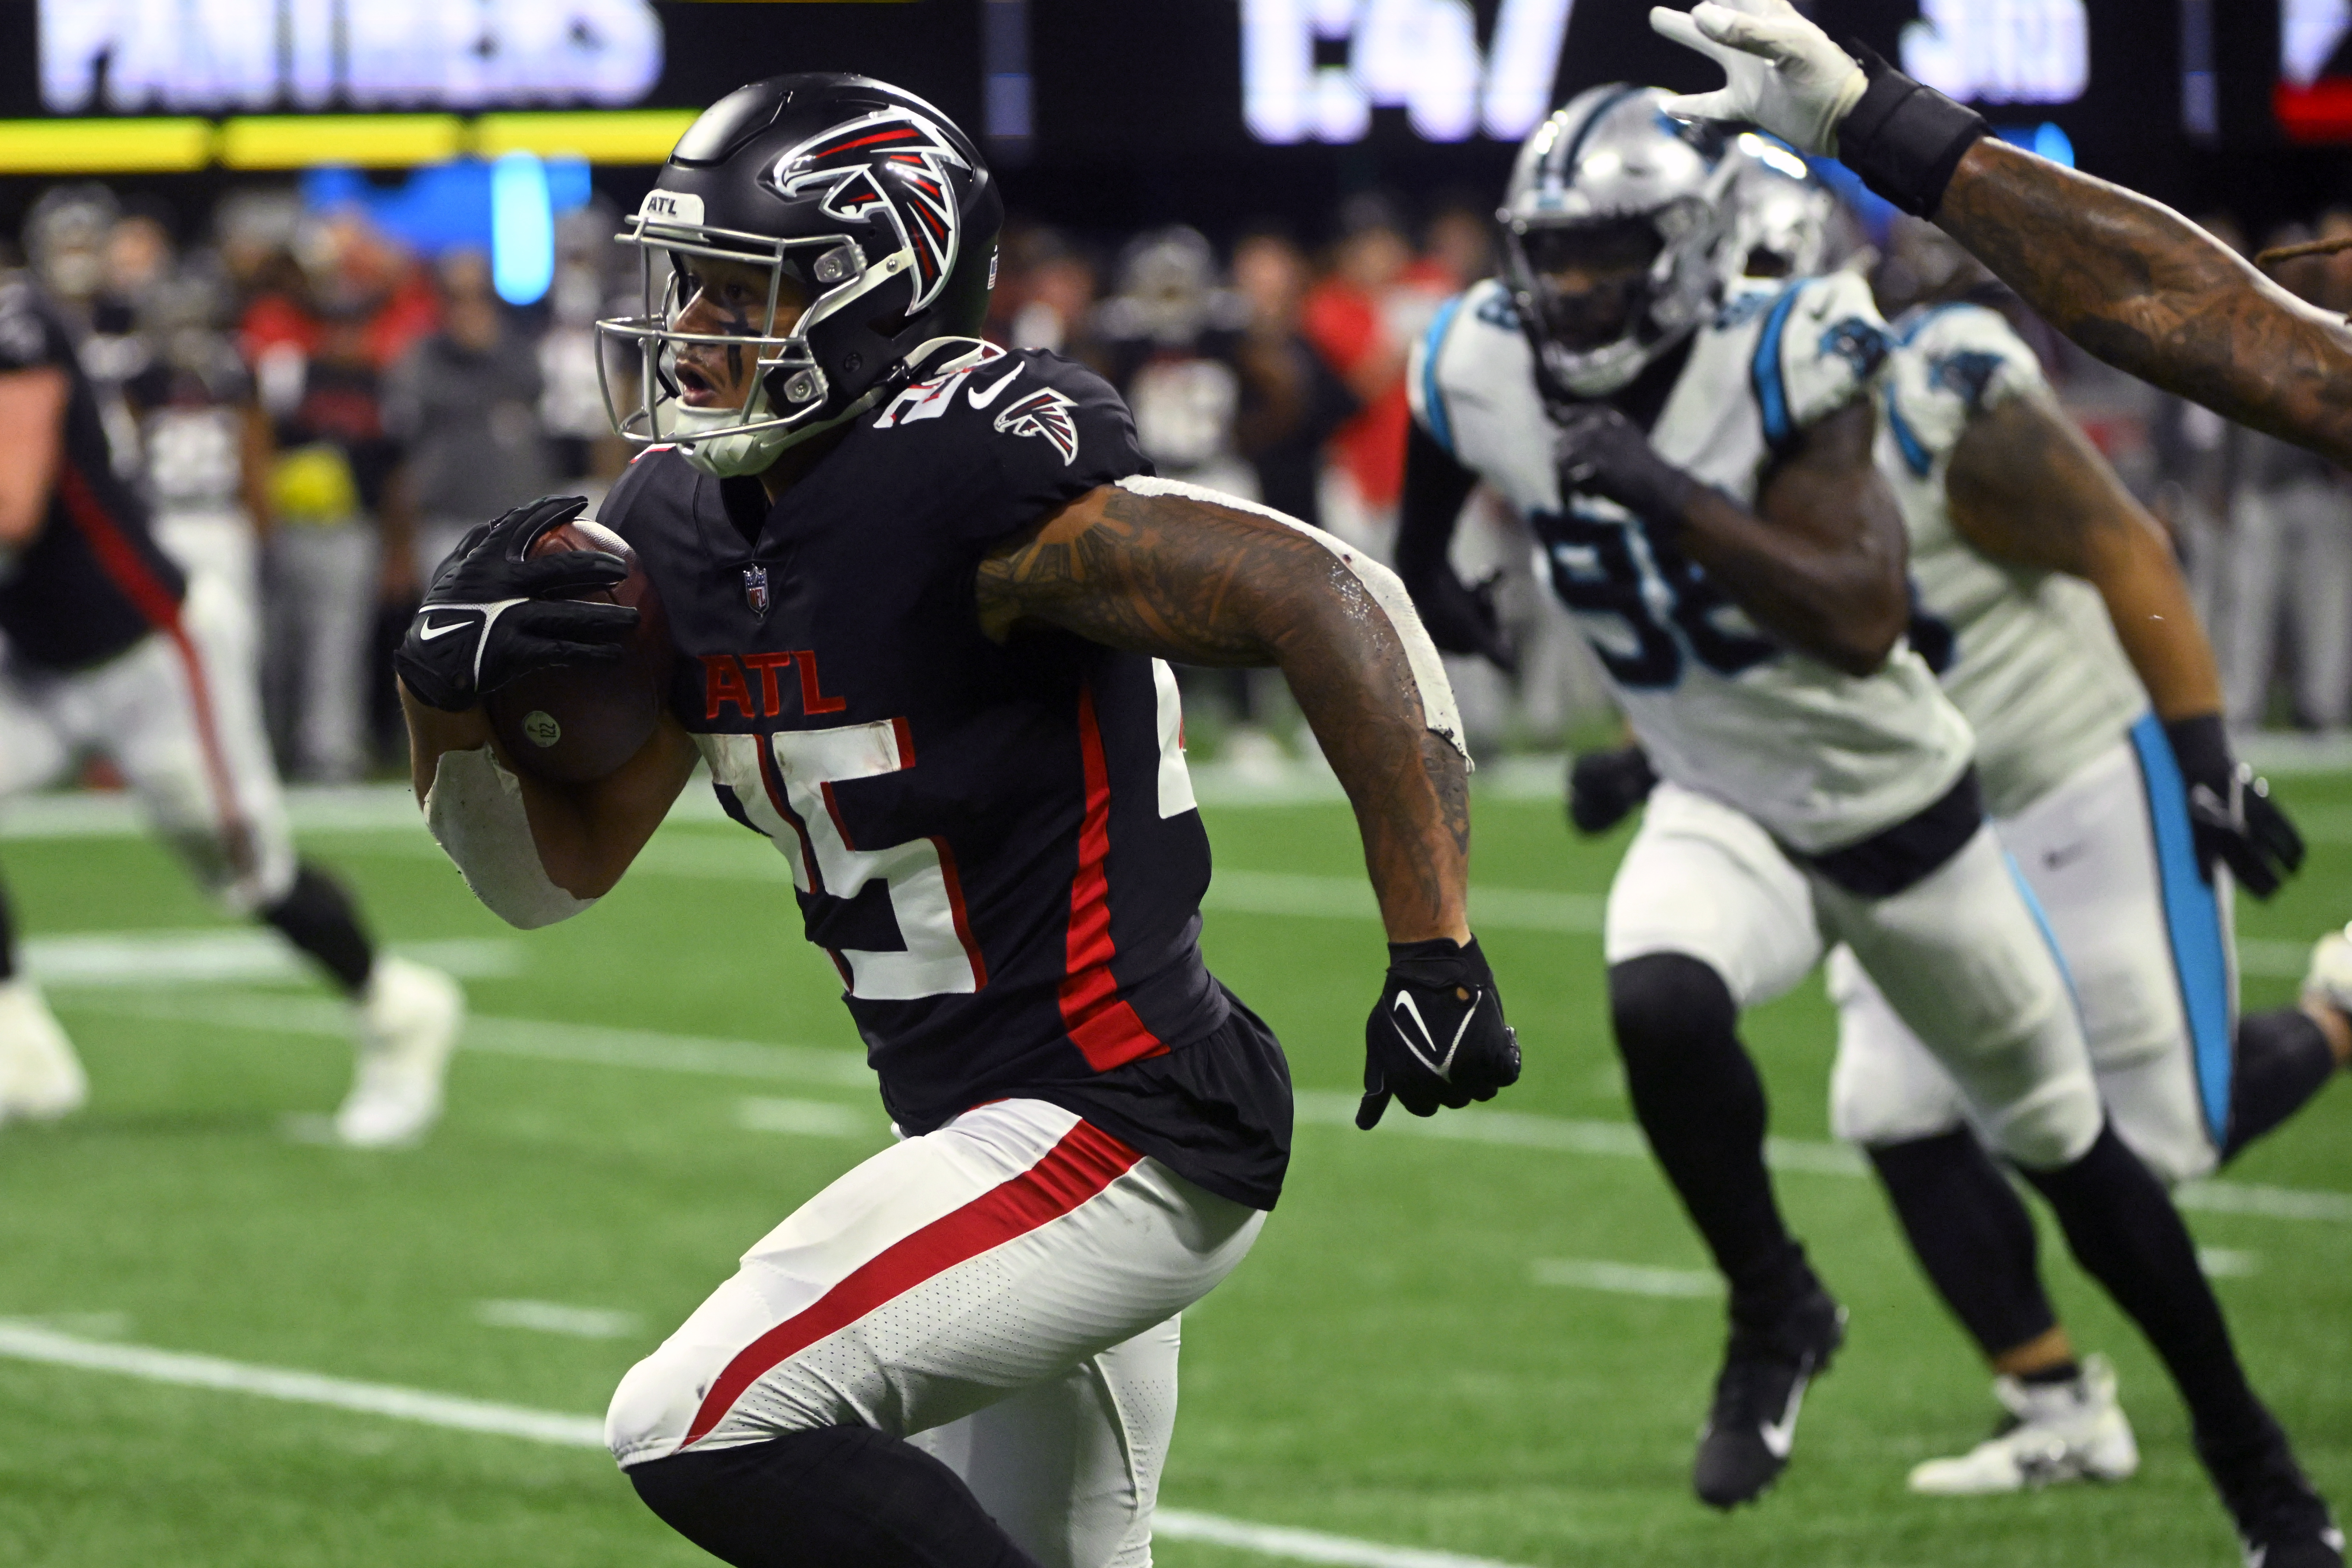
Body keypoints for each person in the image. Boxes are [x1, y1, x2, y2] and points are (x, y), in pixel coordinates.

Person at [394, 74, 1520, 1568]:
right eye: (689, 287)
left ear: (879, 290)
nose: (696, 331)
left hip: (1118, 1120)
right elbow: (547, 880)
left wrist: (1433, 946)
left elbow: (1328, 591)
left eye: (743, 292)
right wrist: (445, 710)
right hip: (987, 1136)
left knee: (697, 1414)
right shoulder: (674, 517)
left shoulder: (960, 474)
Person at [1395, 86, 2340, 1564]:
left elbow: (1869, 613)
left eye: (1613, 259)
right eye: (1555, 259)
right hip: (1737, 801)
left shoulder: (1861, 367)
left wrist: (2203, 756)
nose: (1575, 292)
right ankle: (1837, 1323)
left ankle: (2258, 1467)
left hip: (1951, 797)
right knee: (1690, 1008)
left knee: (2115, 1149)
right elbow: (1637, 590)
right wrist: (1452, 599)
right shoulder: (1487, 356)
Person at [0, 265, 465, 1146]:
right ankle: (21, 1052)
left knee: (248, 873)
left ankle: (399, 1008)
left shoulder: (14, 319)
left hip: (151, 653)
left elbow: (13, 503)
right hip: (37, 659)